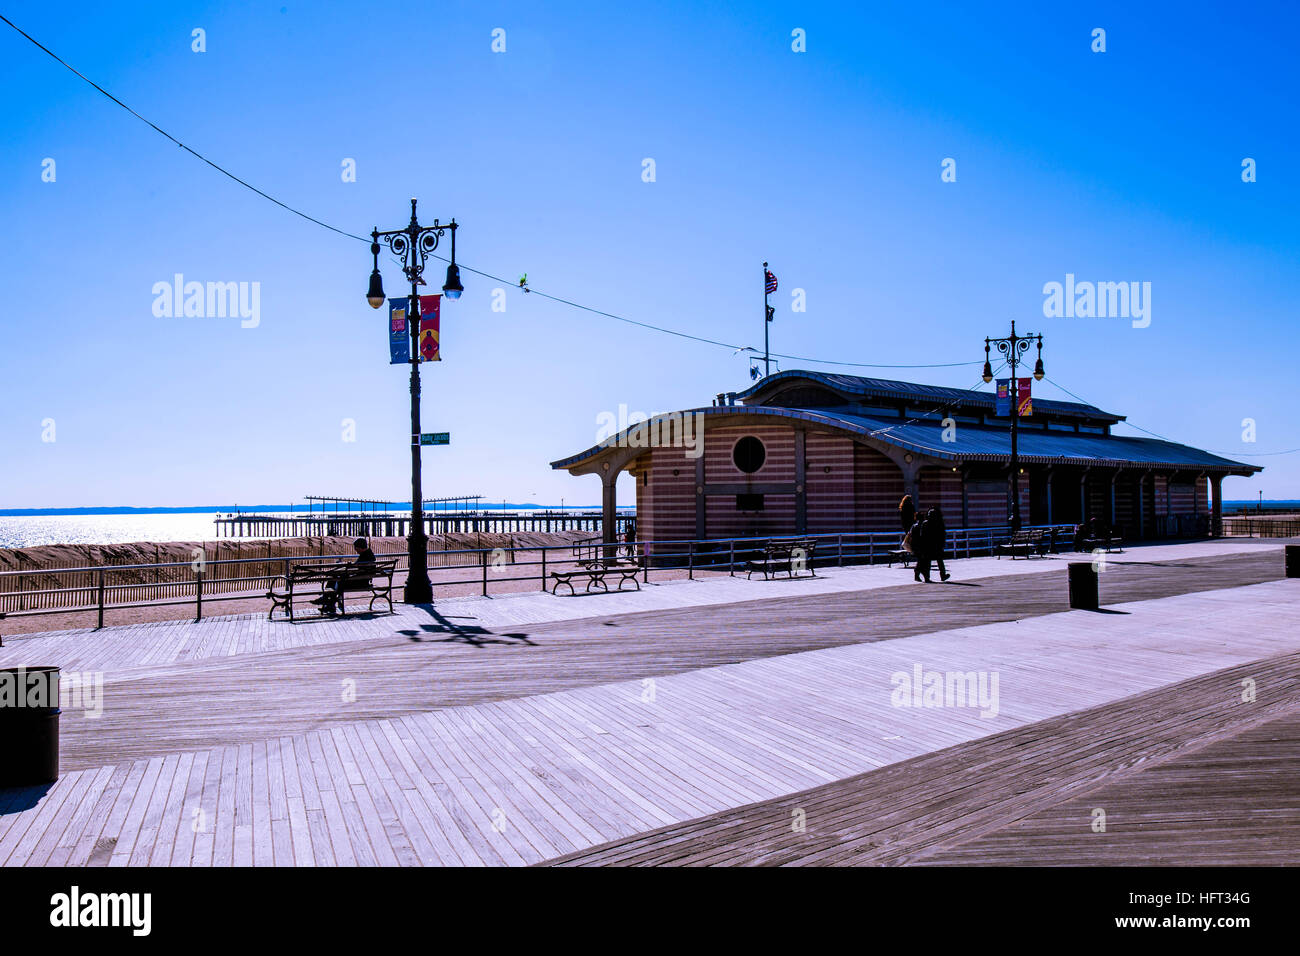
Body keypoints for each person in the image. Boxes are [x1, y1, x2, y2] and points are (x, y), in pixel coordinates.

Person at [314, 538, 376, 616]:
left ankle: (327, 601)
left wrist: (349, 567)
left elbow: (356, 569)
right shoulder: (369, 555)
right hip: (362, 580)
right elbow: (358, 569)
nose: (355, 550)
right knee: (335, 580)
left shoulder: (364, 556)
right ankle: (328, 602)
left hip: (359, 582)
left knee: (337, 581)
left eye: (356, 548)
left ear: (360, 547)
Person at [925, 507, 951, 581]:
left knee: (928, 561)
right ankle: (943, 576)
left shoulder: (926, 523)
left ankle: (927, 577)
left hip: (929, 544)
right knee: (940, 561)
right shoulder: (940, 523)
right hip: (937, 545)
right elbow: (943, 534)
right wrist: (942, 544)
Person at [911, 512, 930, 582]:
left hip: (916, 546)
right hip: (923, 546)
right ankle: (924, 576)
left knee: (921, 561)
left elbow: (912, 536)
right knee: (924, 562)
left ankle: (918, 575)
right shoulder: (924, 525)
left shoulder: (914, 526)